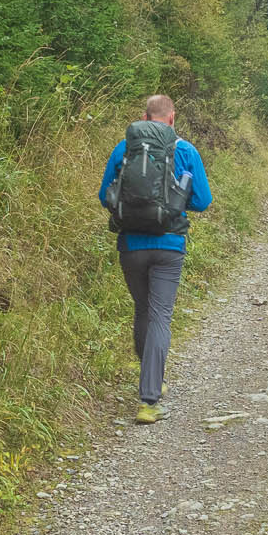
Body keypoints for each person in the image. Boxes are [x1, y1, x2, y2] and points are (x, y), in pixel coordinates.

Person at [99, 95, 212, 424]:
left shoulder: (125, 149)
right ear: (172, 117)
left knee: (143, 309)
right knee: (161, 315)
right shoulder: (186, 151)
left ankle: (151, 377)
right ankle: (150, 399)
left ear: (146, 116)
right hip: (169, 245)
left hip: (131, 245)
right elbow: (203, 200)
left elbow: (106, 193)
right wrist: (172, 204)